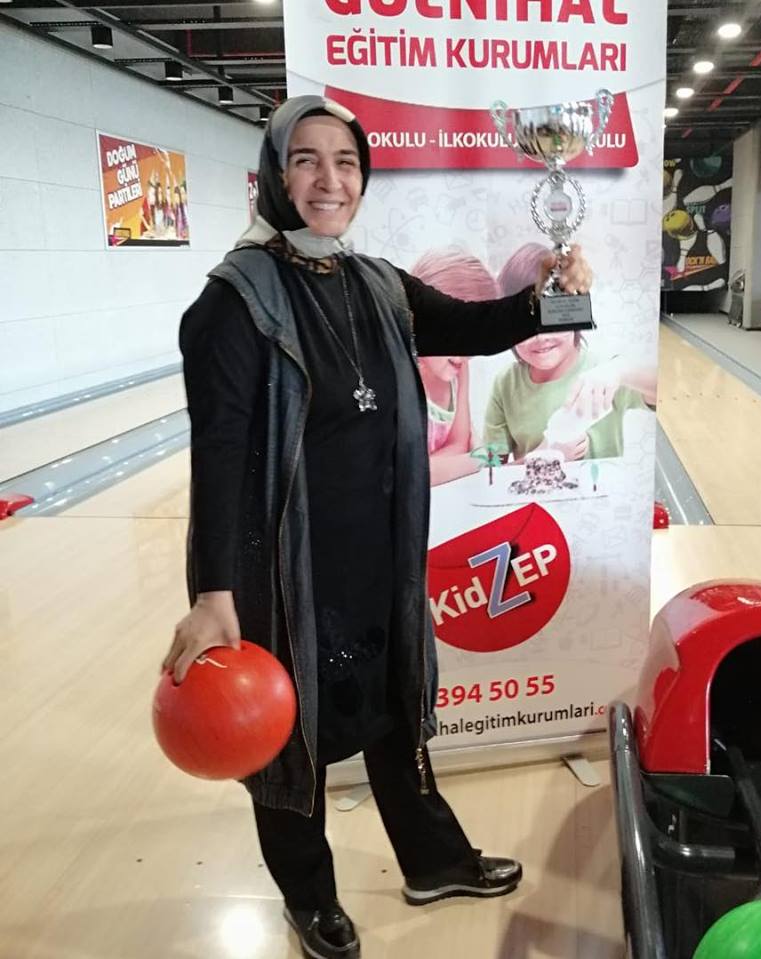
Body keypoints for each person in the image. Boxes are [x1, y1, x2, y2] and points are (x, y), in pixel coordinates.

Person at [161, 96, 593, 959]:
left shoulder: (376, 282)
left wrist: (554, 295)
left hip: (376, 554)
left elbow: (475, 326)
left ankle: (435, 861)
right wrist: (213, 593)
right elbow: (218, 456)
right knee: (288, 739)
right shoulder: (232, 304)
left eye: (347, 162)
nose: (330, 180)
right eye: (307, 160)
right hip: (281, 568)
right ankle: (310, 898)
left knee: (397, 709)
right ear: (274, 175)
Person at [486, 242, 655, 462]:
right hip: (532, 486)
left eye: (551, 317)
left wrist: (620, 371)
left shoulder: (602, 370)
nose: (540, 337)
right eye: (522, 324)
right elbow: (490, 469)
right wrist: (542, 457)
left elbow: (666, 389)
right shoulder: (505, 384)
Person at [409, 249, 501, 486]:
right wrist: (479, 458)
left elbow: (460, 443)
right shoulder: (400, 376)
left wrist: (460, 459)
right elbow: (405, 474)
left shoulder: (459, 370)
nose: (462, 353)